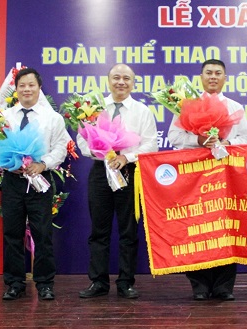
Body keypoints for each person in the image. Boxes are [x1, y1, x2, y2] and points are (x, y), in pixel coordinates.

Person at [168, 59, 247, 301]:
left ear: (225, 78)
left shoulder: (235, 107)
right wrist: (198, 141)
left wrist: (227, 144)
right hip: (195, 175)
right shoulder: (187, 105)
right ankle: (200, 286)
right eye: (208, 73)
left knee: (225, 228)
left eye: (218, 73)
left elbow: (246, 138)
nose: (213, 77)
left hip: (227, 175)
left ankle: (224, 286)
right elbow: (174, 136)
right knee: (197, 227)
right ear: (201, 77)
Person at [77, 64, 158, 299]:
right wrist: (100, 153)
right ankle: (98, 282)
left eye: (126, 78)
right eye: (116, 78)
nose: (121, 82)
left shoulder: (142, 111)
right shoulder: (93, 109)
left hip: (130, 173)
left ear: (133, 83)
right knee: (99, 230)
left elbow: (151, 145)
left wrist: (126, 157)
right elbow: (82, 142)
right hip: (101, 172)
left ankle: (126, 282)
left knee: (128, 230)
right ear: (108, 81)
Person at [0, 68, 71, 301]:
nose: (27, 89)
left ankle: (44, 283)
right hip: (12, 181)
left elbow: (61, 147)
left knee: (42, 234)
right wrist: (9, 163)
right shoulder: (5, 116)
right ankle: (14, 283)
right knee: (12, 233)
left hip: (40, 181)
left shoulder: (53, 118)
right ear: (16, 89)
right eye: (22, 85)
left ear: (39, 88)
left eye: (31, 85)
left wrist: (43, 164)